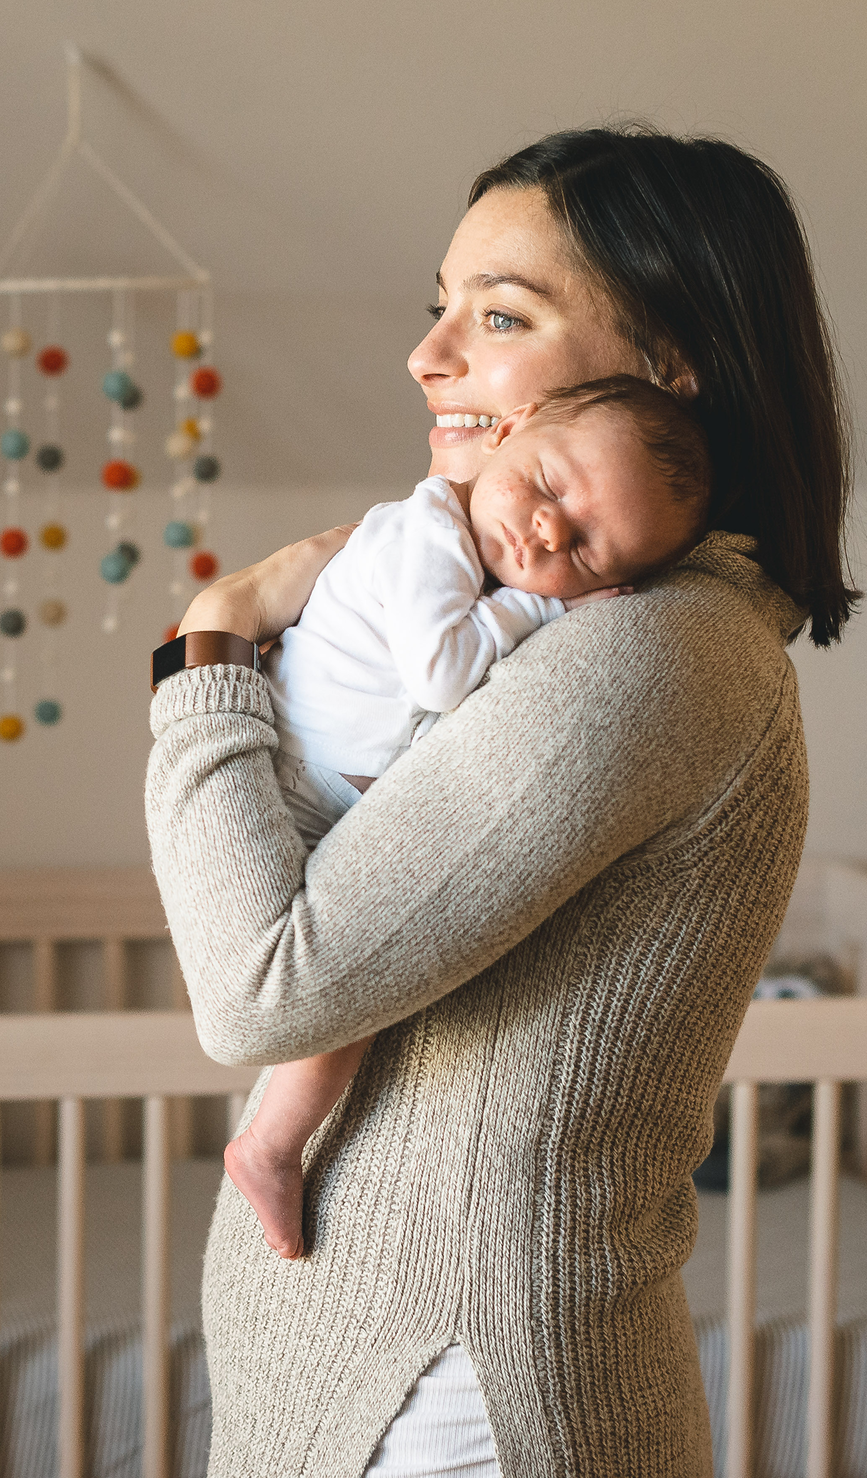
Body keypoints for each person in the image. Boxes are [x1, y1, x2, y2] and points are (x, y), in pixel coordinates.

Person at [145, 124, 855, 1478]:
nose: (430, 355)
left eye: (502, 313)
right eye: (441, 307)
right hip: (397, 1376)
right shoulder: (569, 614)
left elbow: (265, 987)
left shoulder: (644, 652)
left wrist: (211, 646)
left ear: (672, 363)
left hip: (458, 1401)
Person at [231, 374, 714, 1260]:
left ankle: (268, 1142)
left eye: (589, 553)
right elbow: (444, 674)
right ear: (514, 427)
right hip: (303, 786)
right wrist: (544, 603)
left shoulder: (482, 554)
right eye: (552, 486)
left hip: (336, 798)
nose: (547, 533)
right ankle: (266, 1144)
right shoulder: (429, 533)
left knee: (352, 998)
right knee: (328, 992)